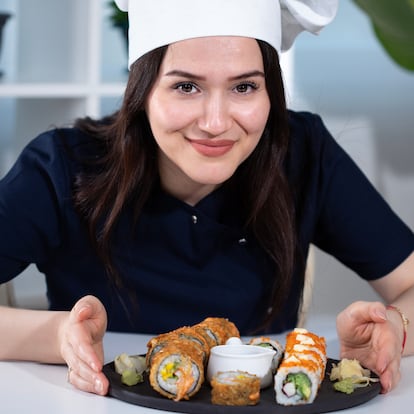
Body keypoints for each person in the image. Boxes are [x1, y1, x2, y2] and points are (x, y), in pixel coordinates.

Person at [0, 0, 413, 398]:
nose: (216, 123)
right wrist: (57, 336)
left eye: (244, 87)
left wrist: (394, 327)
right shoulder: (62, 166)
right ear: (142, 90)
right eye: (186, 86)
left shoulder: (303, 153)